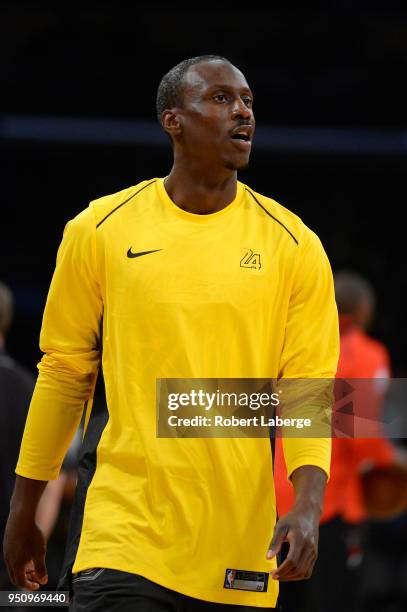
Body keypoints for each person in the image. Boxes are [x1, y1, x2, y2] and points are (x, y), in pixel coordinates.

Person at [3, 55, 339, 611]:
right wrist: (23, 509)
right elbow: (63, 374)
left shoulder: (295, 246)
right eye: (221, 99)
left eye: (248, 101)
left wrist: (306, 505)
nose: (242, 114)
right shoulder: (100, 230)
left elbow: (307, 388)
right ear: (173, 121)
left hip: (237, 546)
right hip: (123, 535)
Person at [275, 270, 404, 612]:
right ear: (363, 311)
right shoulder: (365, 353)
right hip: (330, 504)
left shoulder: (290, 343)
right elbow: (363, 437)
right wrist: (394, 459)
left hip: (277, 498)